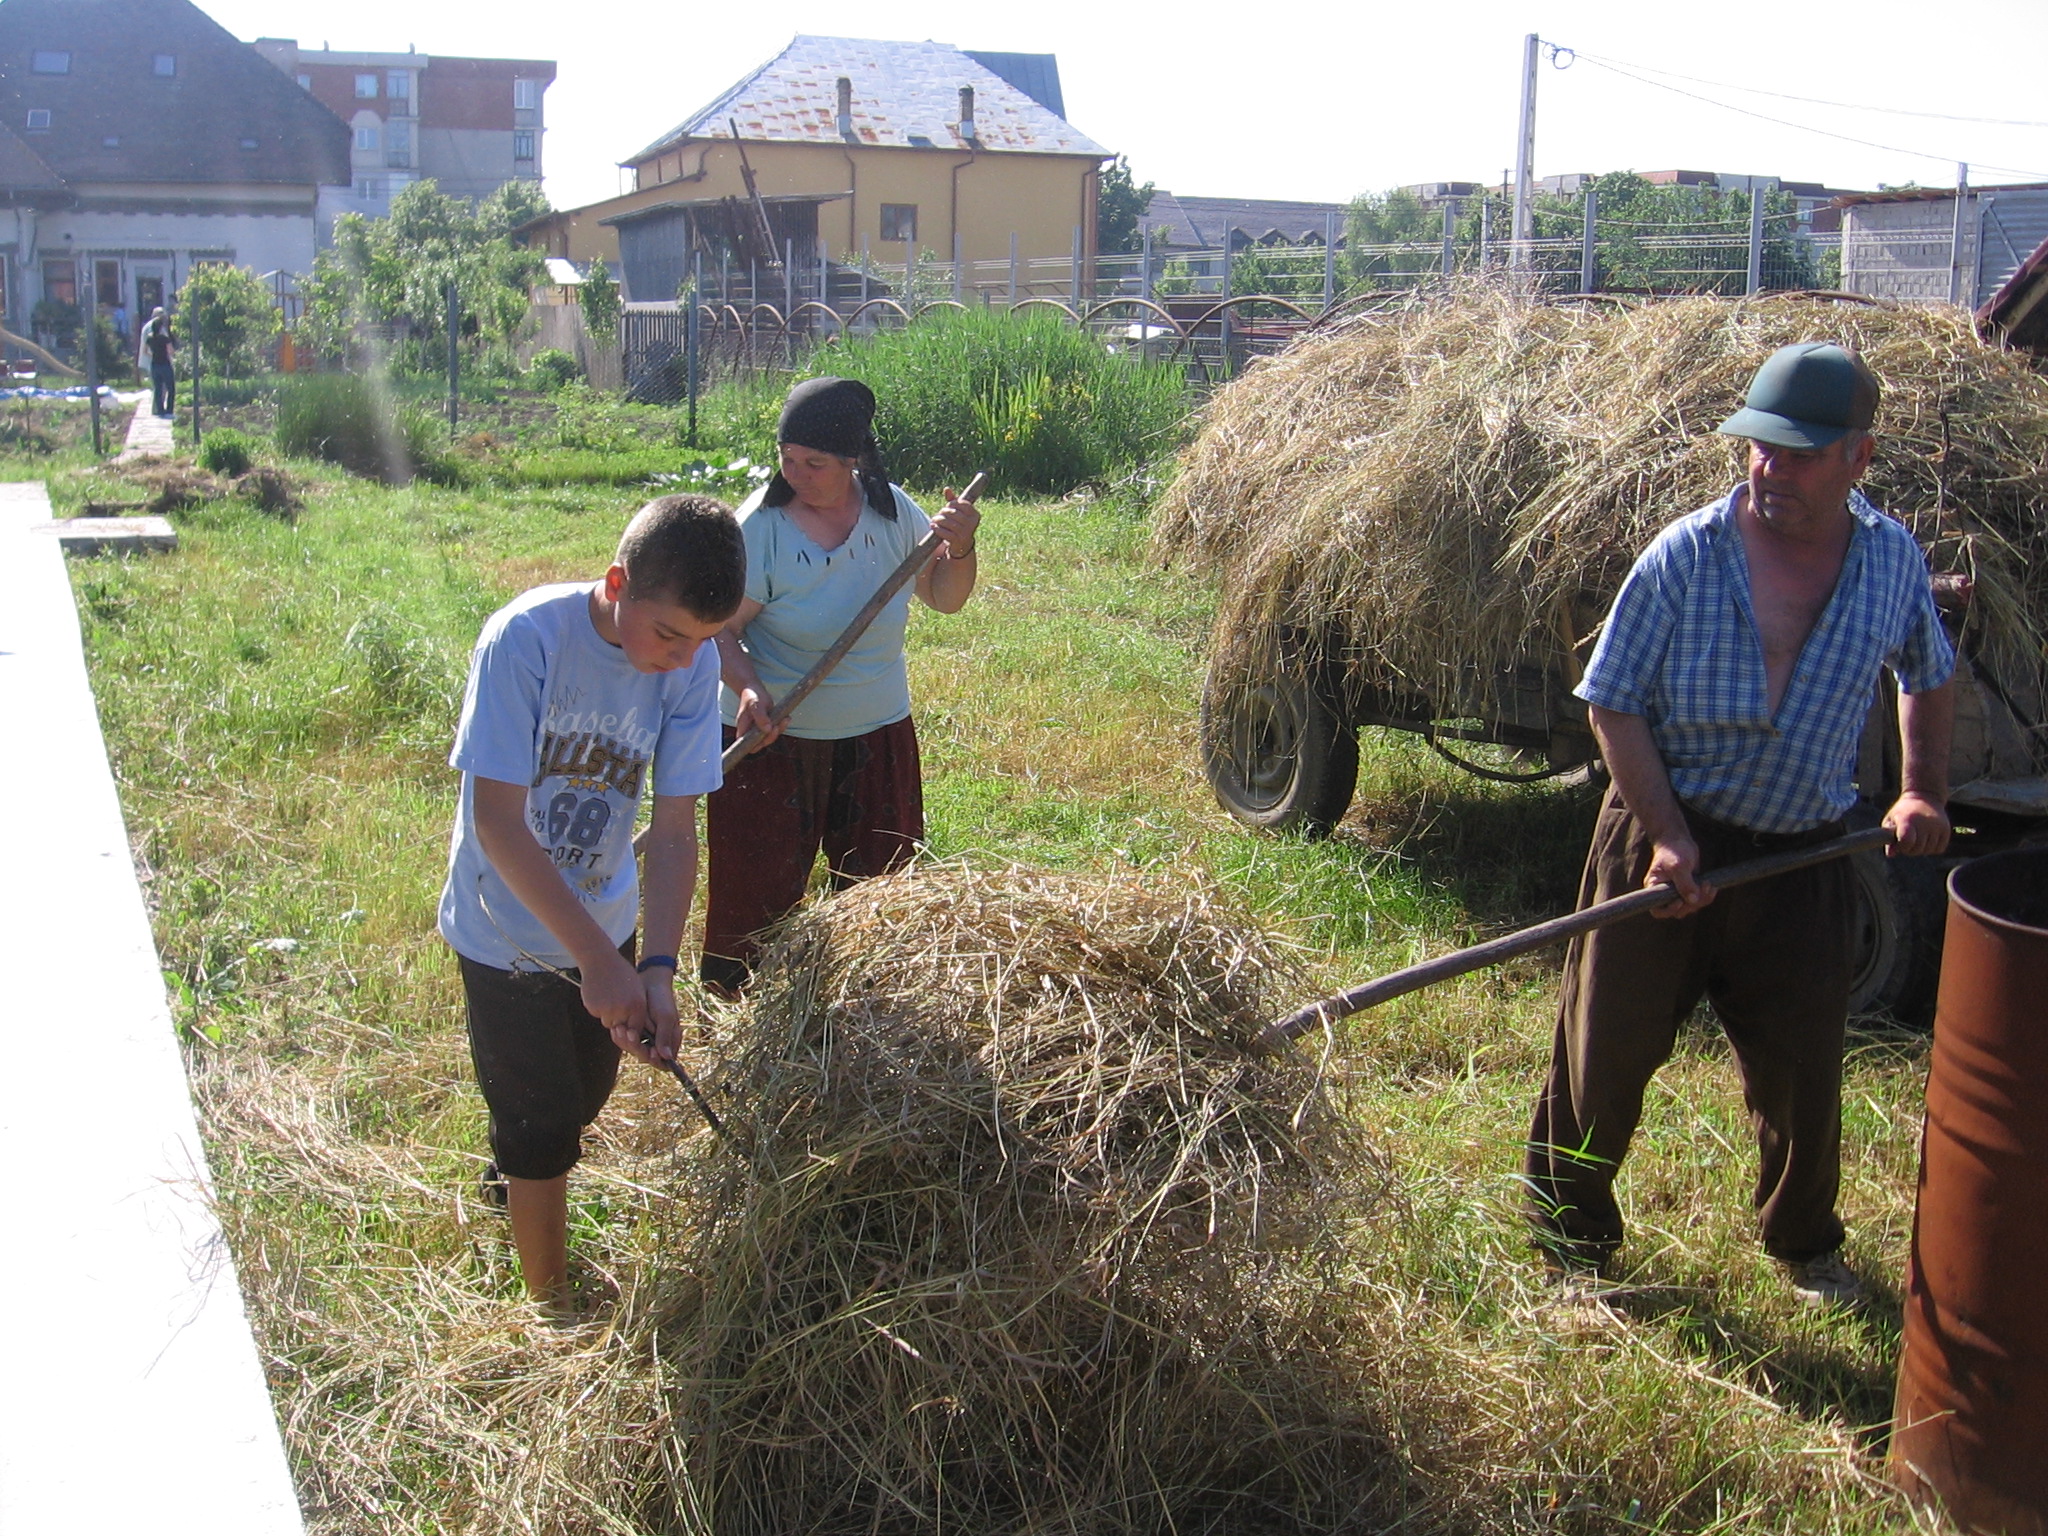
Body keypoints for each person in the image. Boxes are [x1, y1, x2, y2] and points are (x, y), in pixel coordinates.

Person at [1523, 343, 1955, 1306]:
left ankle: (1804, 1242)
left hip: (1803, 853)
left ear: (1859, 459)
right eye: (1761, 447)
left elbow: (1928, 672)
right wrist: (1669, 836)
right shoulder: (1686, 556)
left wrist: (1921, 788)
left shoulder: (1890, 564)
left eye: (1800, 453)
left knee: (1803, 1069)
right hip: (1663, 837)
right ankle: (1570, 1233)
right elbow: (1613, 703)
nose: (1772, 468)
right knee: (1606, 1049)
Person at [437, 494, 743, 1313]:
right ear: (616, 584)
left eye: (702, 643)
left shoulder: (691, 664)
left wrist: (656, 967)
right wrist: (596, 962)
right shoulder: (527, 640)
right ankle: (552, 1306)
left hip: (607, 921)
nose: (682, 663)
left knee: (581, 1096)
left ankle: (519, 1161)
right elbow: (496, 822)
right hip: (508, 931)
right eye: (669, 635)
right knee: (543, 1130)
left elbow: (676, 832)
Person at [703, 376, 981, 993]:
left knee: (880, 888)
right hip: (771, 737)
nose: (795, 473)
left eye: (814, 462)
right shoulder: (761, 527)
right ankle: (740, 1011)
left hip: (876, 730)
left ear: (853, 460)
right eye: (787, 458)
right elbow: (718, 631)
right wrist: (749, 690)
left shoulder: (892, 513)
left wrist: (960, 549)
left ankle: (874, 1007)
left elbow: (943, 597)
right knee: (756, 893)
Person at [141, 307, 176, 417]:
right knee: (171, 388)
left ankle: (159, 410)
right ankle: (169, 411)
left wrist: (153, 354)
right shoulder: (164, 338)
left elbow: (144, 351)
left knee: (157, 389)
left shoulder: (150, 338)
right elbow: (171, 351)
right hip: (165, 364)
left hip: (154, 364)